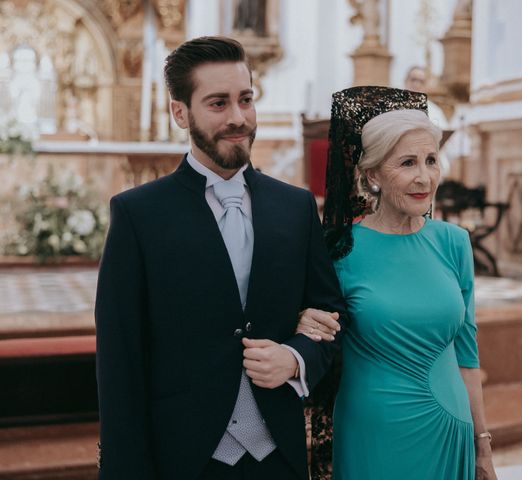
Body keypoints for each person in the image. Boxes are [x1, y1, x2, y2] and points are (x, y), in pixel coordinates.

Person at [95, 36, 346, 480]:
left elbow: (330, 315)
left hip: (279, 458)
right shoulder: (138, 215)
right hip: (183, 458)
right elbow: (120, 361)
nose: (238, 118)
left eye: (245, 100)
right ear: (180, 112)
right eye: (218, 103)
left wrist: (296, 358)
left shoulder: (296, 207)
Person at [297, 86, 497, 479]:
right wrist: (301, 319)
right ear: (372, 174)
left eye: (431, 160)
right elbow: (310, 328)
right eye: (407, 163)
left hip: (450, 426)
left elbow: (467, 355)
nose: (424, 178)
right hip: (374, 430)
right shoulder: (338, 250)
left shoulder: (454, 243)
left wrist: (483, 444)